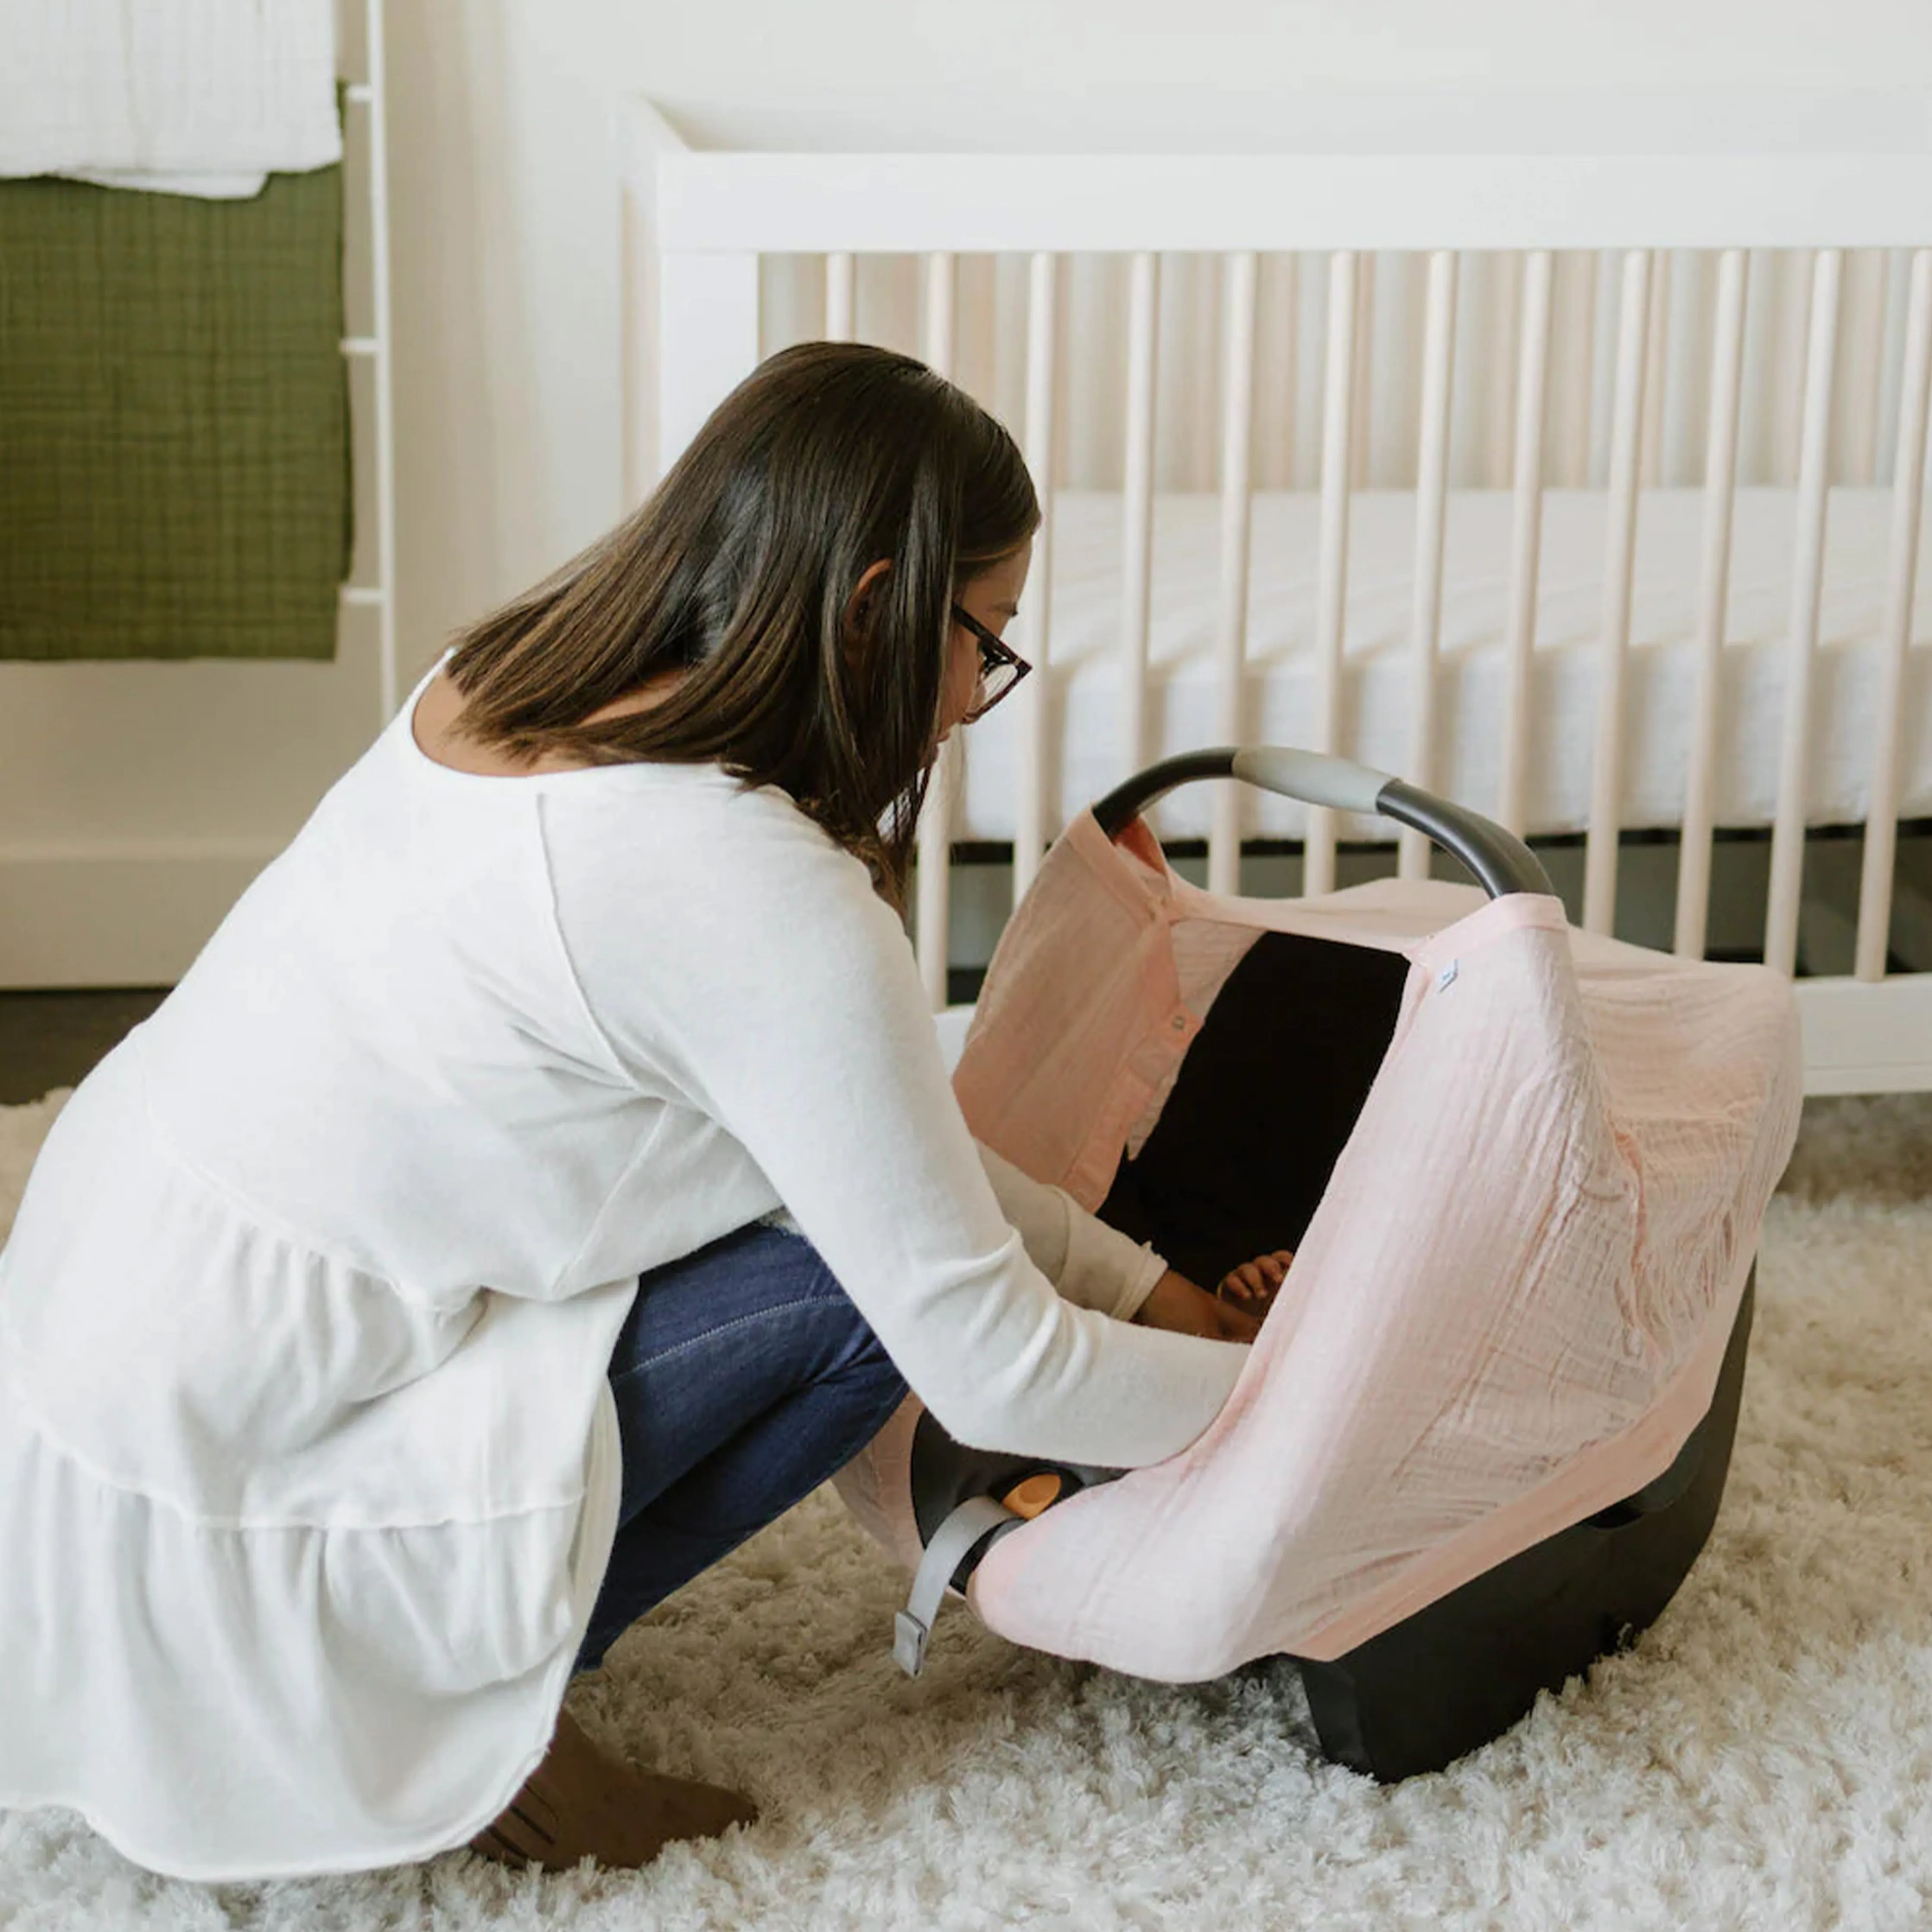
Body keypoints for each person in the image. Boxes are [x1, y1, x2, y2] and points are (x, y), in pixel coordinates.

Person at [0, 342, 1292, 1884]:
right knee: (851, 1304)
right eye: (983, 641)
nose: (972, 698)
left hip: (91, 1378)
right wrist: (1291, 1397)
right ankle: (481, 1725)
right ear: (876, 603)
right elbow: (989, 1360)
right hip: (226, 1509)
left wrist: (1150, 1291)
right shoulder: (755, 896)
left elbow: (855, 1143)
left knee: (826, 1210)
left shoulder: (502, 682)